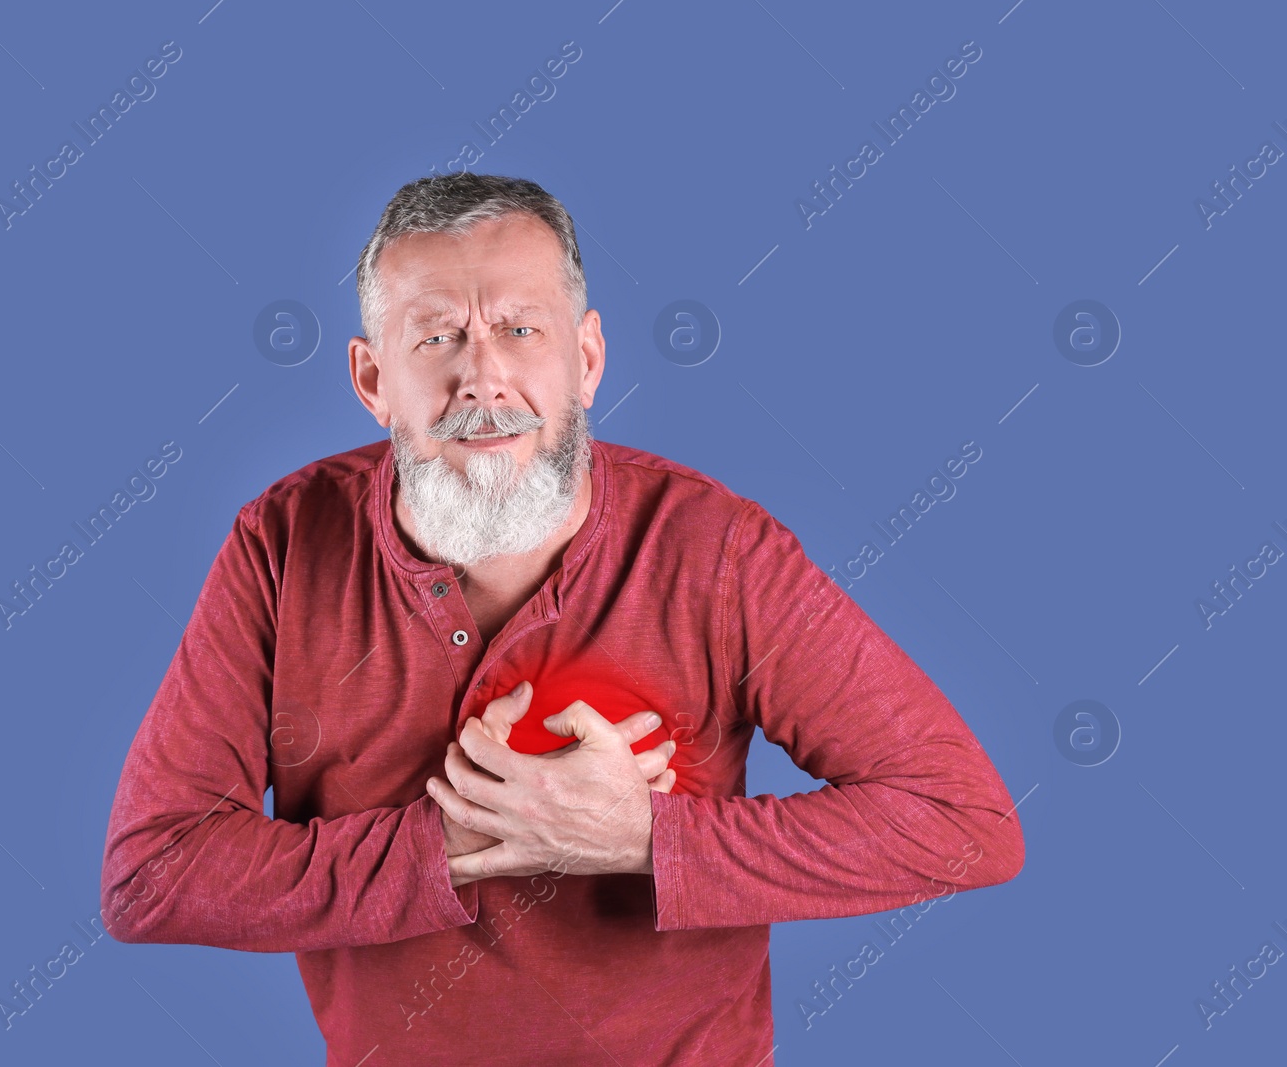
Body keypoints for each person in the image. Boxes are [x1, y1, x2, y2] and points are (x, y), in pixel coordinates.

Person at [100, 173, 1024, 1065]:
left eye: (518, 328)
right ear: (372, 378)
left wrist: (646, 839)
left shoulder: (717, 549)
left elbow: (962, 821)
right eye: (437, 338)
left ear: (585, 359)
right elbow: (152, 874)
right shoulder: (283, 541)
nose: (483, 377)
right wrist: (449, 844)